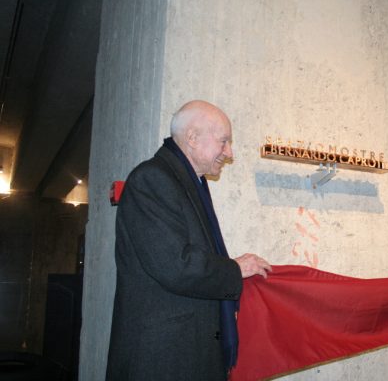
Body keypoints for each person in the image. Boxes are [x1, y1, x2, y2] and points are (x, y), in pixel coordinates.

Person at [106, 100, 272, 380]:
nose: (229, 153)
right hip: (163, 360)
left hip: (183, 355)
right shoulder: (153, 179)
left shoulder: (186, 182)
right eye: (224, 141)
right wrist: (235, 269)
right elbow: (175, 265)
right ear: (192, 138)